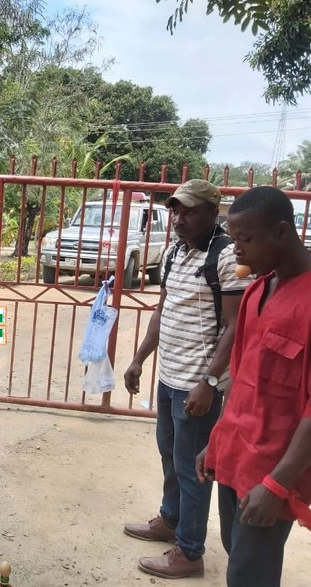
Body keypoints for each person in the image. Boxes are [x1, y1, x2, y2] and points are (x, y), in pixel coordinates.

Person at [123, 179, 250, 579]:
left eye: (190, 211)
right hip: (170, 375)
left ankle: (190, 551)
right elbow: (164, 309)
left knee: (193, 468)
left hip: (199, 385)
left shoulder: (229, 256)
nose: (179, 219)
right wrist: (139, 358)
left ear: (214, 212)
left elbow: (234, 327)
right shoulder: (175, 251)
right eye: (176, 211)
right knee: (169, 454)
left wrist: (209, 384)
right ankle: (171, 519)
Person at [197, 186, 311, 587]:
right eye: (233, 239)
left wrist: (277, 484)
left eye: (245, 240)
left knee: (249, 574)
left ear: (282, 232)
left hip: (273, 472)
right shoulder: (257, 292)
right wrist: (217, 440)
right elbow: (241, 380)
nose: (236, 250)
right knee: (236, 553)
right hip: (236, 456)